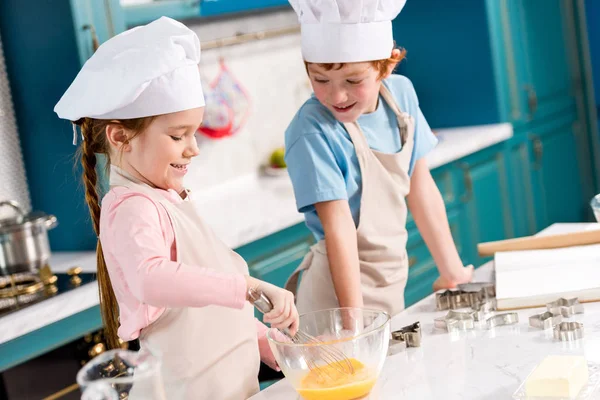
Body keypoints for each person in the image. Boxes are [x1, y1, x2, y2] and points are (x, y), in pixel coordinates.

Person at [54, 17, 298, 400]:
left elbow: (213, 312)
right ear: (121, 137)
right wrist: (248, 287)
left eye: (194, 132)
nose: (193, 148)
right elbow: (151, 278)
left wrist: (273, 346)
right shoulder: (130, 207)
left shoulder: (170, 200)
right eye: (177, 135)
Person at [283, 0, 473, 317]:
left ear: (387, 66)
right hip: (337, 300)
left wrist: (452, 271)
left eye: (353, 81)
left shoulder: (401, 96)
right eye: (320, 79)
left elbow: (420, 185)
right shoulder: (312, 129)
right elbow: (338, 228)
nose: (336, 96)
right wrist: (353, 324)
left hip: (390, 281)